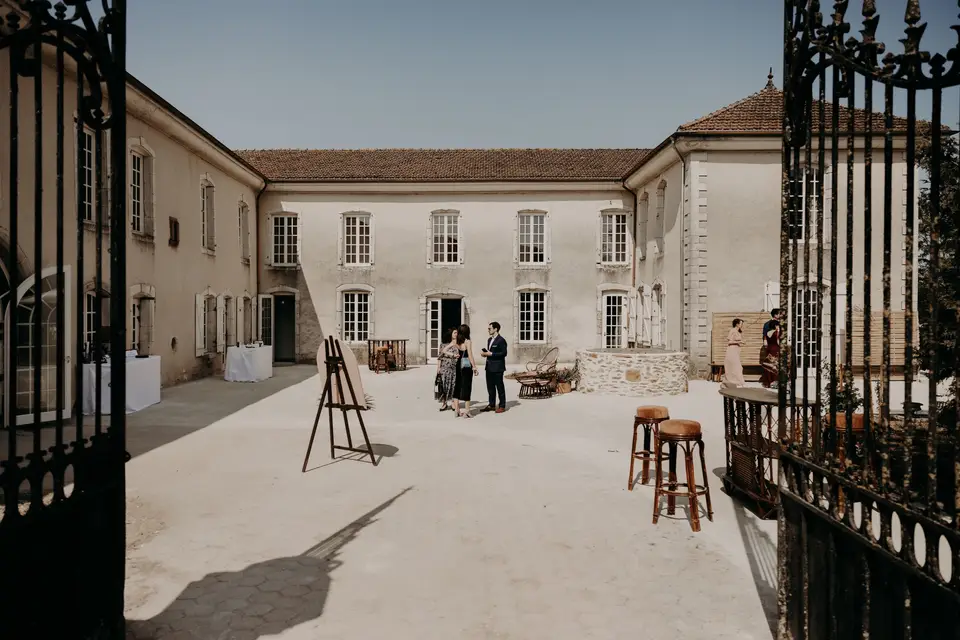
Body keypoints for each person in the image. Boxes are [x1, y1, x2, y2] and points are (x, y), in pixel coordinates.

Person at [480, 321, 508, 413]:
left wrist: (491, 354)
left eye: (490, 328)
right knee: (490, 387)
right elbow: (490, 352)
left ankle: (502, 405)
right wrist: (485, 354)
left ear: (495, 329)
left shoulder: (501, 340)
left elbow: (504, 353)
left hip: (498, 368)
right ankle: (491, 404)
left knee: (499, 386)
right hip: (489, 367)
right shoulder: (489, 340)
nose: (488, 330)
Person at [453, 324, 479, 418]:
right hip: (466, 365)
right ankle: (467, 411)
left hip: (458, 364)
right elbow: (470, 355)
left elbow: (445, 350)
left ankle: (457, 410)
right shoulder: (468, 341)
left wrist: (453, 356)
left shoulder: (456, 341)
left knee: (457, 386)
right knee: (467, 386)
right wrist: (474, 367)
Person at [435, 327, 460, 411]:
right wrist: (438, 368)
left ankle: (453, 402)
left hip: (454, 367)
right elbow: (440, 357)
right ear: (451, 334)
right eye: (455, 333)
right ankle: (444, 403)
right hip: (444, 367)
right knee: (443, 386)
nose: (456, 334)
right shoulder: (443, 344)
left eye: (457, 333)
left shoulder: (458, 343)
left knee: (453, 385)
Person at [721, 318, 745, 389]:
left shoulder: (738, 331)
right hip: (732, 350)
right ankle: (734, 382)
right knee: (735, 367)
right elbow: (729, 341)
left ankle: (735, 383)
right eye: (741, 323)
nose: (742, 325)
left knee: (736, 367)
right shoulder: (733, 330)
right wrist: (740, 342)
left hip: (736, 350)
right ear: (737, 324)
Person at [761, 319, 781, 388]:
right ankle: (775, 381)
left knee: (769, 365)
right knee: (775, 365)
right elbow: (778, 342)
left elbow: (765, 344)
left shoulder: (767, 333)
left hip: (769, 349)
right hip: (776, 349)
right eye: (778, 325)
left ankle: (769, 382)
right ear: (775, 326)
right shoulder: (776, 333)